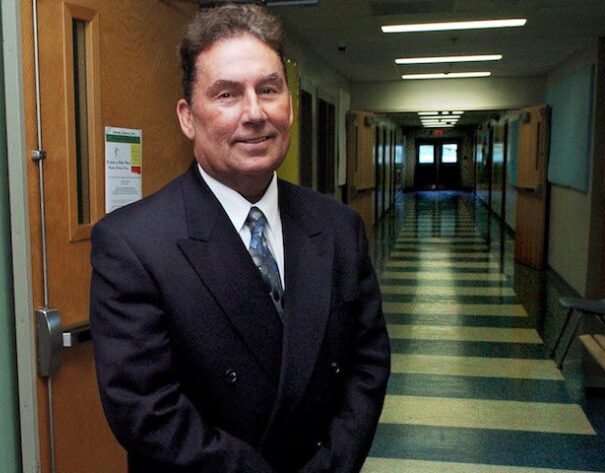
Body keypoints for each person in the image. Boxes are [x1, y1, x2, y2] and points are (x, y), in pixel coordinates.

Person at [89, 4, 390, 473]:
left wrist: (334, 462)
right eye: (227, 94)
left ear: (289, 104)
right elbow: (146, 408)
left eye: (268, 89)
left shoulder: (337, 227)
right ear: (188, 117)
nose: (254, 113)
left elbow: (367, 363)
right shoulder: (133, 244)